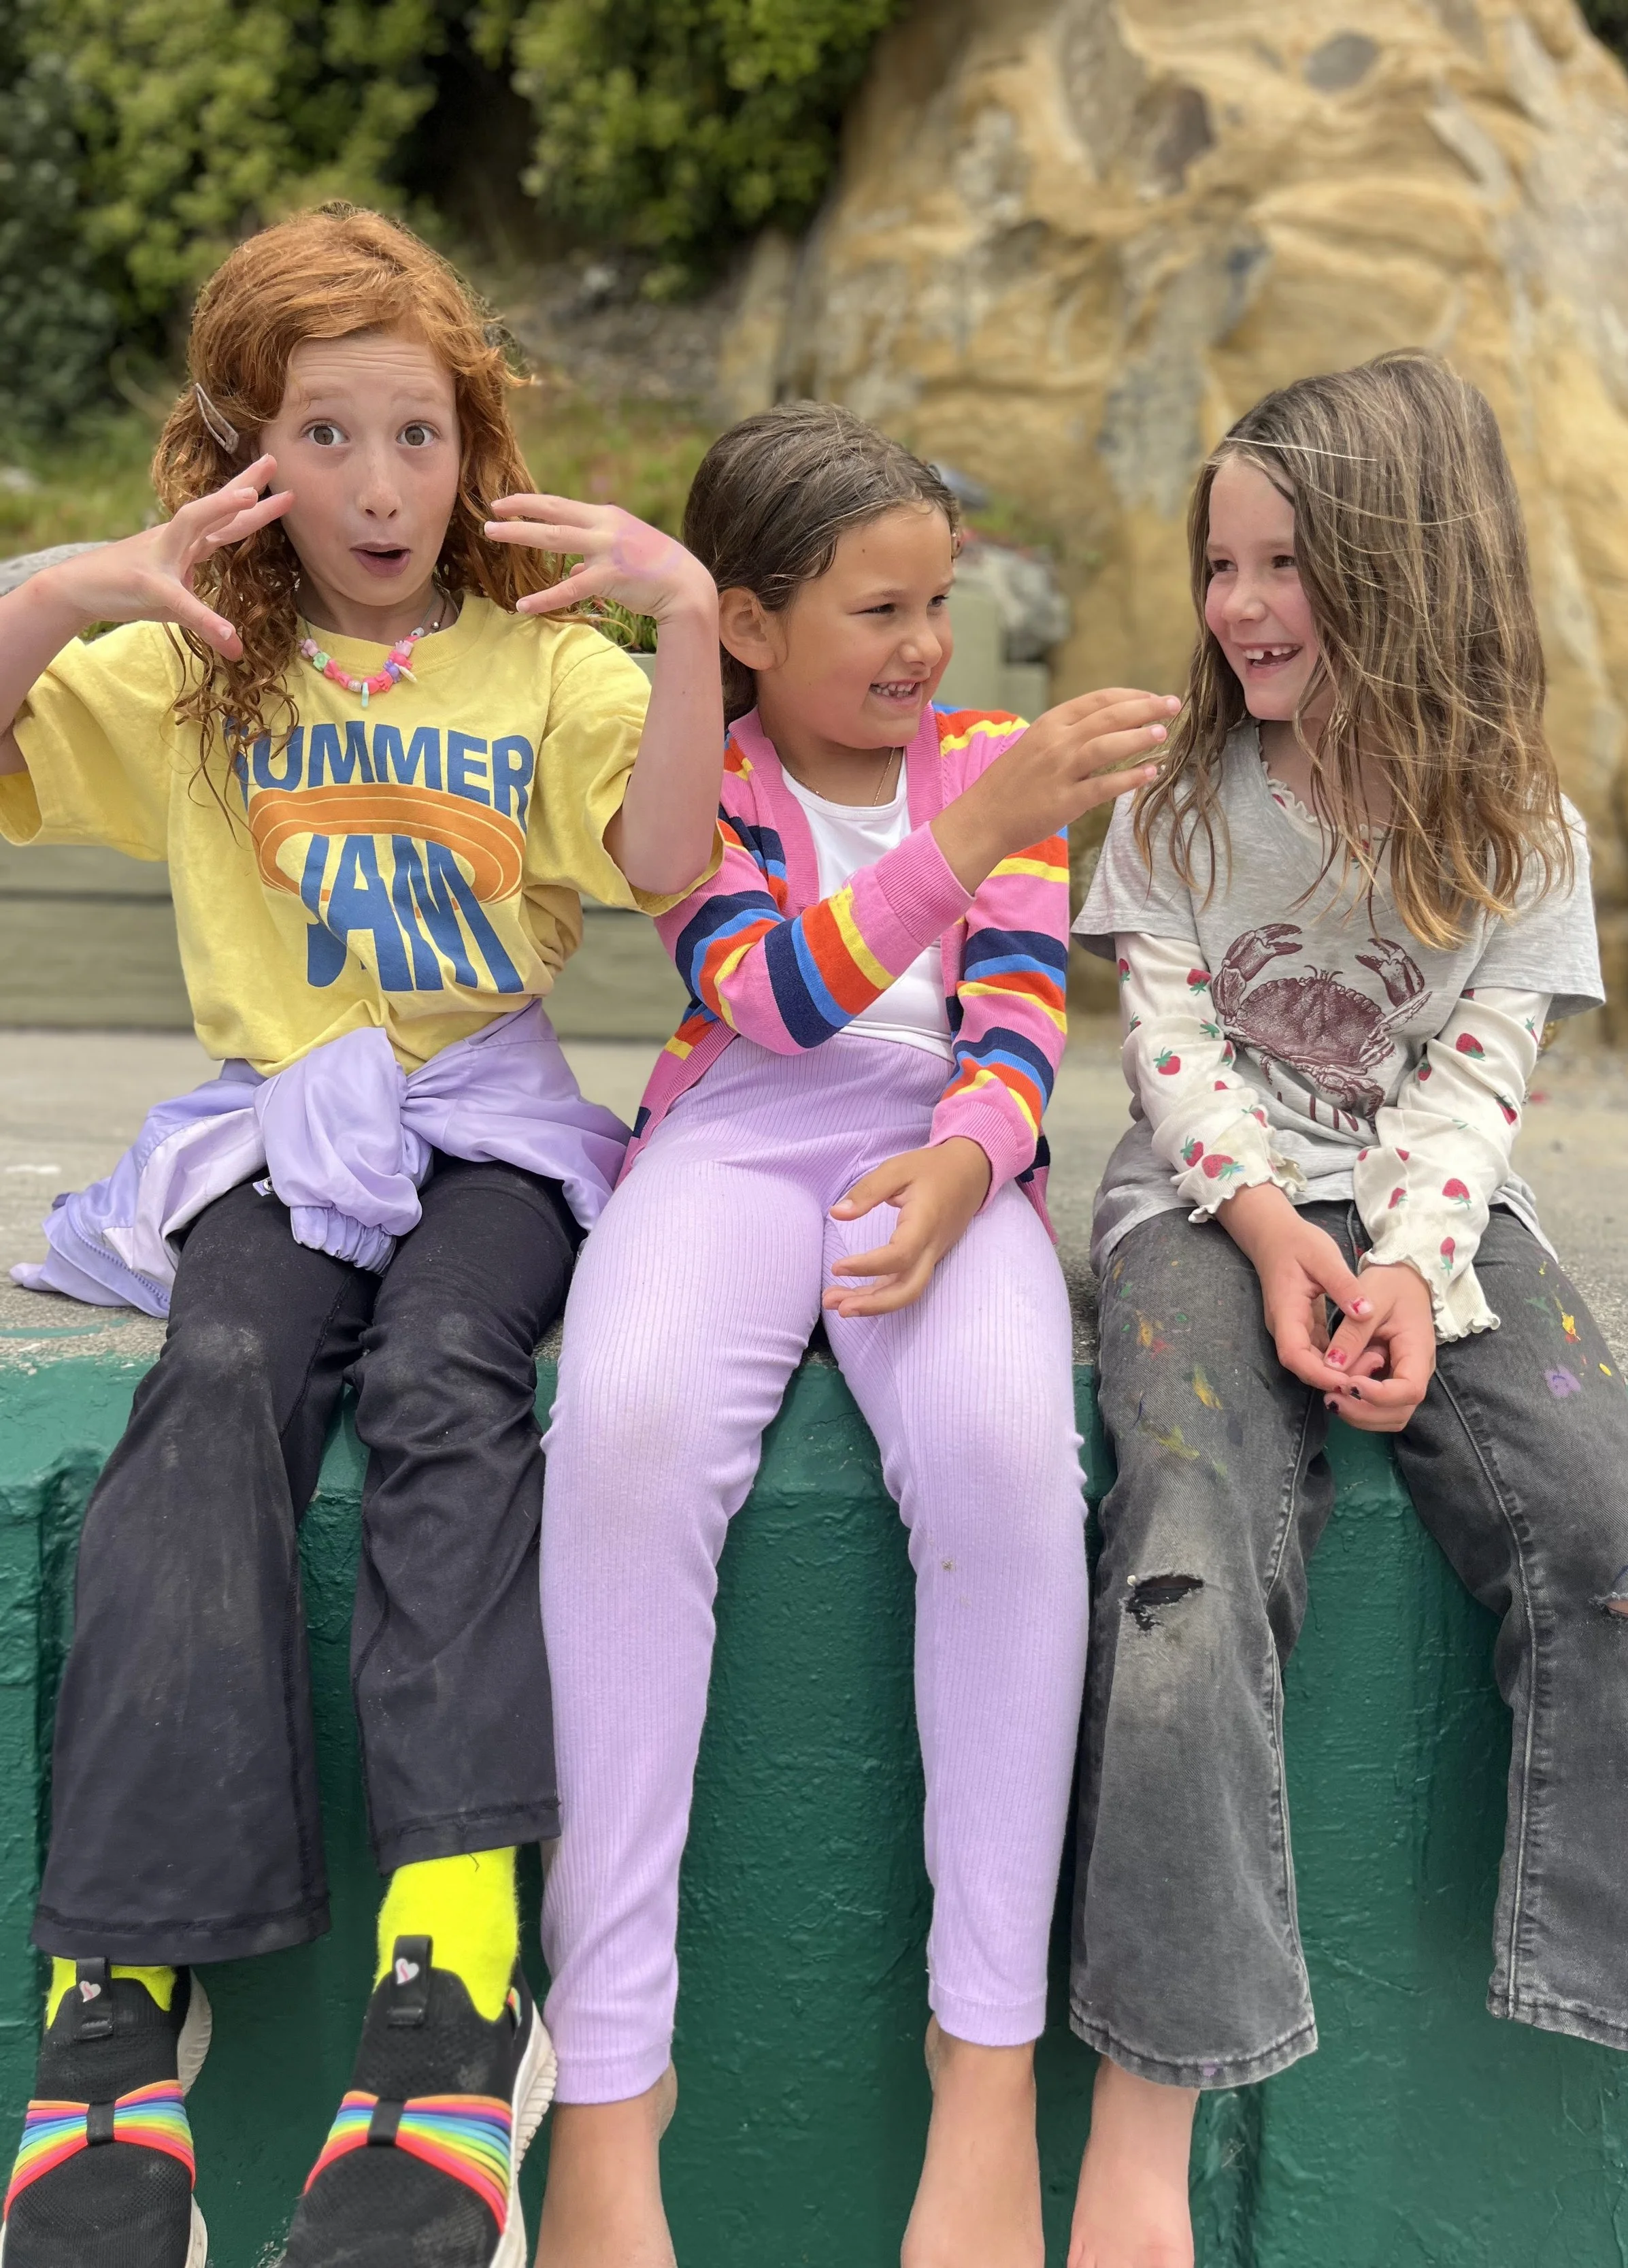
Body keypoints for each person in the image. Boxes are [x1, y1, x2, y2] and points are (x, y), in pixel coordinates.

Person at [0, 205, 725, 2268]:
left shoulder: (542, 661)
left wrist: (679, 619)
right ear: (248, 453)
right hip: (285, 1128)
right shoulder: (189, 662)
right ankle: (118, 2002)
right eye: (328, 436)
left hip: (489, 1127)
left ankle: (454, 1953)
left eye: (419, 434)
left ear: (474, 451)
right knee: (213, 1375)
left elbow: (668, 856)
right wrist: (63, 593)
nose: (381, 486)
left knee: (441, 1381)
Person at [1066, 350, 1628, 2268]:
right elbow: (1170, 1060)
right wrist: (1273, 1236)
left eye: (1284, 566)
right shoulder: (1184, 808)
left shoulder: (1520, 827)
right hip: (1204, 1197)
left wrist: (1414, 1274)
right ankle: (1139, 2133)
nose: (1239, 606)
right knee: (1188, 1553)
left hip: (1436, 1216)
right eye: (1221, 566)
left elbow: (1475, 1085)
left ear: (1405, 569)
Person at [527, 399, 1176, 2268]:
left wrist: (974, 1165)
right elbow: (776, 994)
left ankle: (982, 2064)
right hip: (740, 1129)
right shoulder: (711, 780)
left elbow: (1024, 1012)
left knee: (1000, 1454)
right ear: (744, 622)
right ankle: (610, 2085)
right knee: (626, 1427)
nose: (920, 648)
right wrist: (965, 829)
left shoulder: (981, 753)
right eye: (873, 611)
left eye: (935, 604)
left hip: (940, 1165)